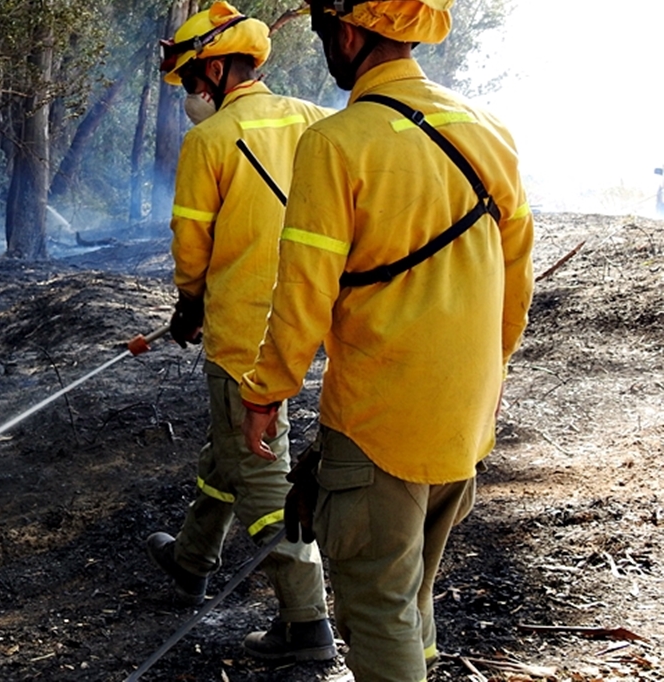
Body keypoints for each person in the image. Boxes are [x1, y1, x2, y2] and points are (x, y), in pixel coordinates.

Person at [239, 1, 534, 680]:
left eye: (322, 34)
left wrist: (267, 391)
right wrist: (485, 380)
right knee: (412, 596)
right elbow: (515, 290)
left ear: (347, 31)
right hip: (463, 424)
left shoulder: (339, 142)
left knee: (376, 610)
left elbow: (303, 293)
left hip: (379, 426)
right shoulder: (491, 132)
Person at [144, 1, 336, 663]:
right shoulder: (314, 120)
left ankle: (307, 624)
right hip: (306, 325)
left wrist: (188, 307)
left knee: (262, 478)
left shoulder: (210, 141)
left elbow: (190, 245)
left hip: (242, 336)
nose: (192, 94)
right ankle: (193, 560)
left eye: (196, 79)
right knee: (229, 449)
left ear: (222, 68)